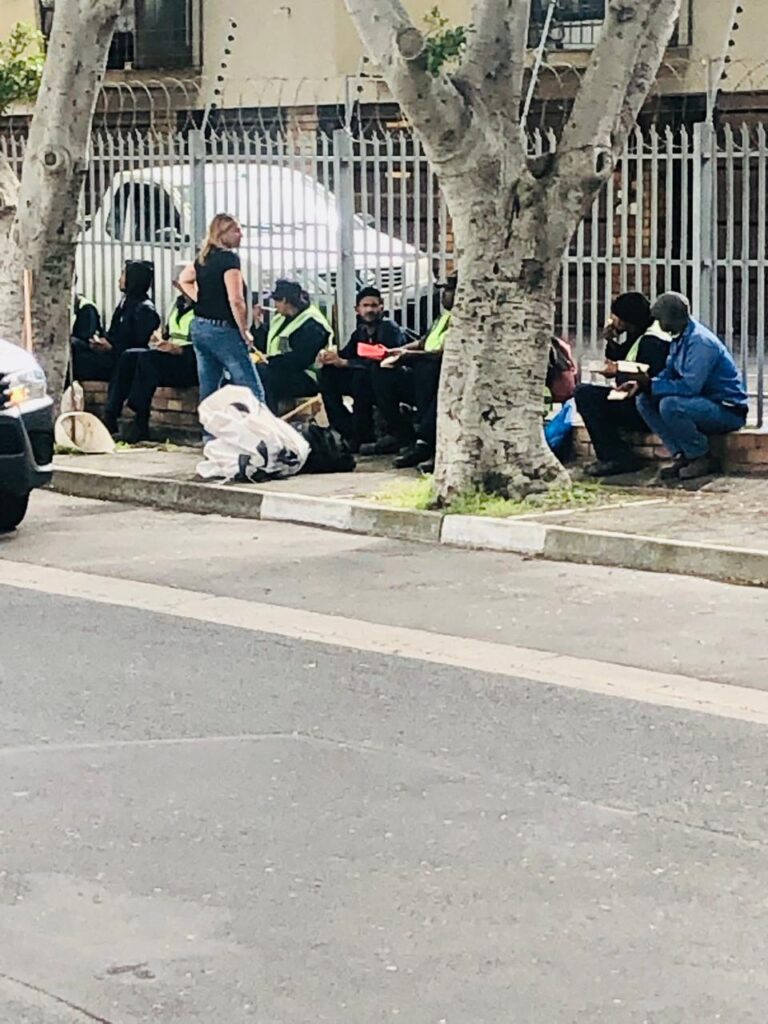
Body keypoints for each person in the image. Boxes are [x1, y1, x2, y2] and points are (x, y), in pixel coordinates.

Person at [623, 292, 748, 481]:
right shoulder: (679, 338)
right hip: (702, 402)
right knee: (644, 401)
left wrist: (652, 386)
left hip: (726, 409)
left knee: (670, 405)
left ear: (671, 318)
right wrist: (643, 385)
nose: (658, 324)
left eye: (660, 319)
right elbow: (669, 371)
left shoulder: (700, 342)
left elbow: (690, 387)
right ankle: (680, 455)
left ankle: (700, 456)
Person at [575, 292, 671, 477]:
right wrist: (611, 340)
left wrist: (617, 372)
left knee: (586, 396)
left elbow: (643, 374)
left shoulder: (652, 342)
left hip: (645, 407)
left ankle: (614, 457)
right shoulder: (640, 334)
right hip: (636, 399)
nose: (613, 320)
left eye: (617, 317)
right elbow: (623, 356)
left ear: (628, 320)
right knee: (588, 393)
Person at [178, 213, 265, 411]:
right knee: (251, 388)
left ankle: (209, 427)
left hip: (200, 326)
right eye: (236, 231)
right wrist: (244, 330)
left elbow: (184, 279)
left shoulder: (204, 258)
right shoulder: (229, 259)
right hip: (223, 329)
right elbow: (236, 299)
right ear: (222, 234)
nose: (241, 235)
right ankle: (259, 426)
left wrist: (202, 300)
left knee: (209, 389)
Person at [372, 274, 457, 470]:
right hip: (423, 373)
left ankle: (427, 445)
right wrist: (396, 351)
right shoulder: (444, 316)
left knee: (428, 372)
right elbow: (422, 342)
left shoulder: (467, 320)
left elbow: (444, 354)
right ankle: (404, 437)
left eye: (449, 290)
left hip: (442, 377)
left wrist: (408, 356)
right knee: (382, 375)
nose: (444, 294)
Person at [102, 292, 198, 442]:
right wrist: (160, 340)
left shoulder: (203, 309)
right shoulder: (177, 305)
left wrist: (180, 349)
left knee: (148, 360)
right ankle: (111, 413)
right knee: (129, 356)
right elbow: (169, 334)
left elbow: (206, 347)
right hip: (171, 358)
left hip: (190, 363)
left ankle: (140, 418)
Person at [318, 287, 404, 452]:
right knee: (328, 374)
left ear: (381, 308)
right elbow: (346, 354)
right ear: (357, 309)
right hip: (365, 378)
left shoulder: (388, 328)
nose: (369, 310)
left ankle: (364, 435)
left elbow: (385, 360)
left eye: (374, 305)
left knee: (361, 378)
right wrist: (329, 357)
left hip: (388, 380)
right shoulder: (361, 332)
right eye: (365, 306)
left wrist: (345, 363)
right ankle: (346, 430)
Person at [253, 279, 333, 414]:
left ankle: (268, 416)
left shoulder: (313, 323)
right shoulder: (281, 318)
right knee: (256, 372)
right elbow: (271, 342)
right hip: (282, 370)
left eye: (276, 300)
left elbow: (301, 359)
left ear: (285, 300)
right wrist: (258, 325)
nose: (274, 305)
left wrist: (269, 361)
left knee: (264, 376)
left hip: (308, 377)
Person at [72, 261, 160, 383]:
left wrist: (111, 347)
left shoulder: (144, 309)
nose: (119, 280)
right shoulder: (126, 303)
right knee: (74, 345)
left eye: (123, 275)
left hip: (121, 363)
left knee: (78, 363)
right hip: (111, 356)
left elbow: (139, 344)